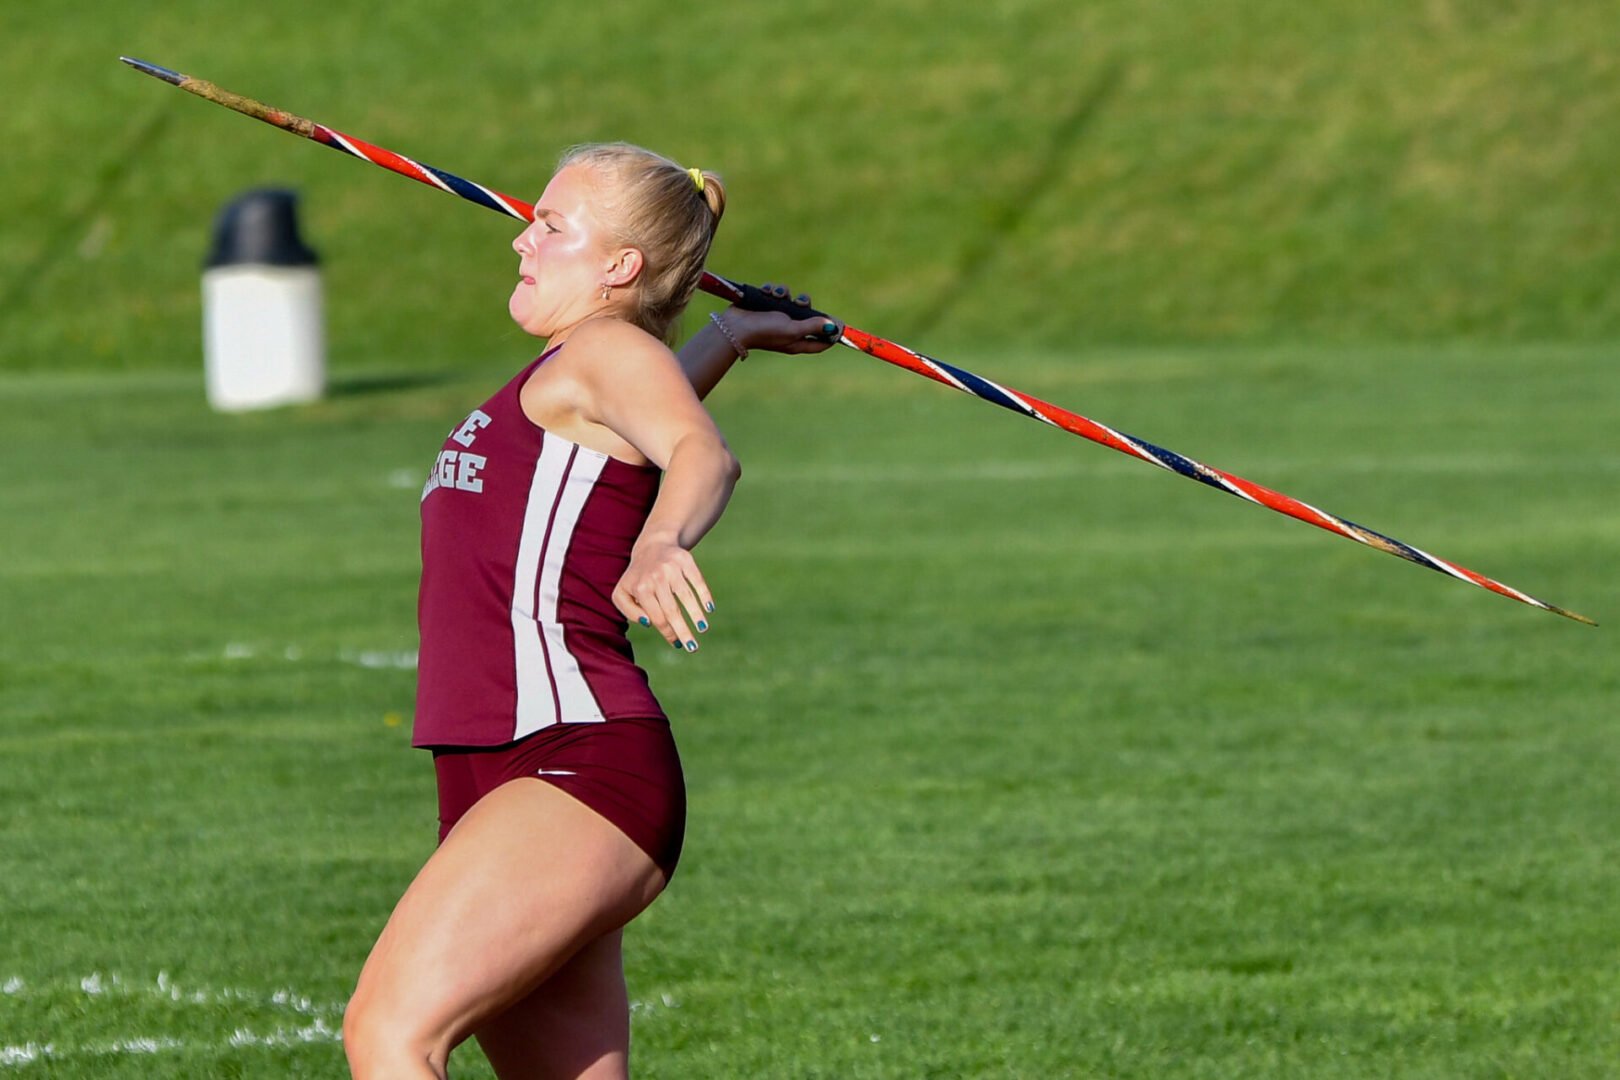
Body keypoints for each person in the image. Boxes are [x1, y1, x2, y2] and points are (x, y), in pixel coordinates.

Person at [340, 142, 841, 1080]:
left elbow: (698, 453)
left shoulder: (608, 349)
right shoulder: (592, 371)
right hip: (499, 765)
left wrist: (662, 542)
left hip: (574, 756)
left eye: (553, 227)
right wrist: (731, 336)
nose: (522, 243)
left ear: (619, 268)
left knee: (389, 1034)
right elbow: (635, 429)